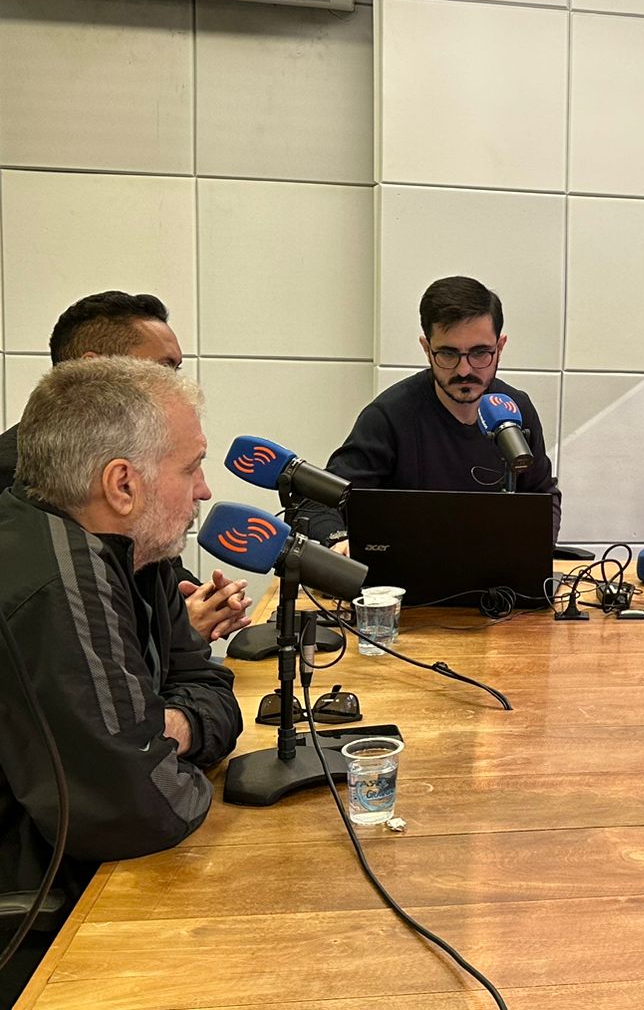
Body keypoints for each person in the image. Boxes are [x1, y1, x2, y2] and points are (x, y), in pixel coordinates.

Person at [0, 358, 243, 1004]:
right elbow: (145, 807)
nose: (204, 491)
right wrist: (158, 741)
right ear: (122, 485)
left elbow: (209, 686)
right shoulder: (58, 583)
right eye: (191, 467)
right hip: (33, 930)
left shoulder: (134, 552)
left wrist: (169, 727)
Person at [0, 291, 250, 642]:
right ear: (93, 371)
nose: (176, 385)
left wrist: (197, 605)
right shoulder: (14, 478)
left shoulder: (146, 460)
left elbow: (159, 573)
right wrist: (175, 636)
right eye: (162, 369)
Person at [304, 276, 560, 551]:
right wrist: (338, 539)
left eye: (480, 353)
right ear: (427, 349)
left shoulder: (515, 410)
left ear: (500, 347)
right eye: (448, 354)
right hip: (407, 572)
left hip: (498, 573)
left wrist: (533, 554)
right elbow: (316, 502)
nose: (464, 370)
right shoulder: (390, 416)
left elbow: (543, 496)